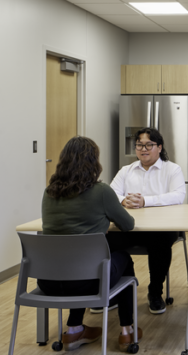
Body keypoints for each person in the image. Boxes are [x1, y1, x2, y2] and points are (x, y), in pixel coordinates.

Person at [38, 136, 142, 352]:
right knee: (123, 258)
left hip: (48, 281)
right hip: (89, 282)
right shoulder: (101, 191)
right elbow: (128, 224)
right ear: (93, 162)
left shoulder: (49, 193)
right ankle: (126, 330)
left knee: (73, 264)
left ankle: (74, 329)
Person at [107, 127, 185, 315]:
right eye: (139, 145)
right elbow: (111, 194)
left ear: (159, 147)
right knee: (106, 240)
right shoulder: (126, 170)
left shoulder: (172, 169)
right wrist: (124, 201)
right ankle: (112, 291)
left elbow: (178, 196)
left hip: (161, 228)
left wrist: (145, 201)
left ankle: (155, 293)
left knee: (161, 243)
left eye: (149, 145)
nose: (143, 149)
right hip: (130, 228)